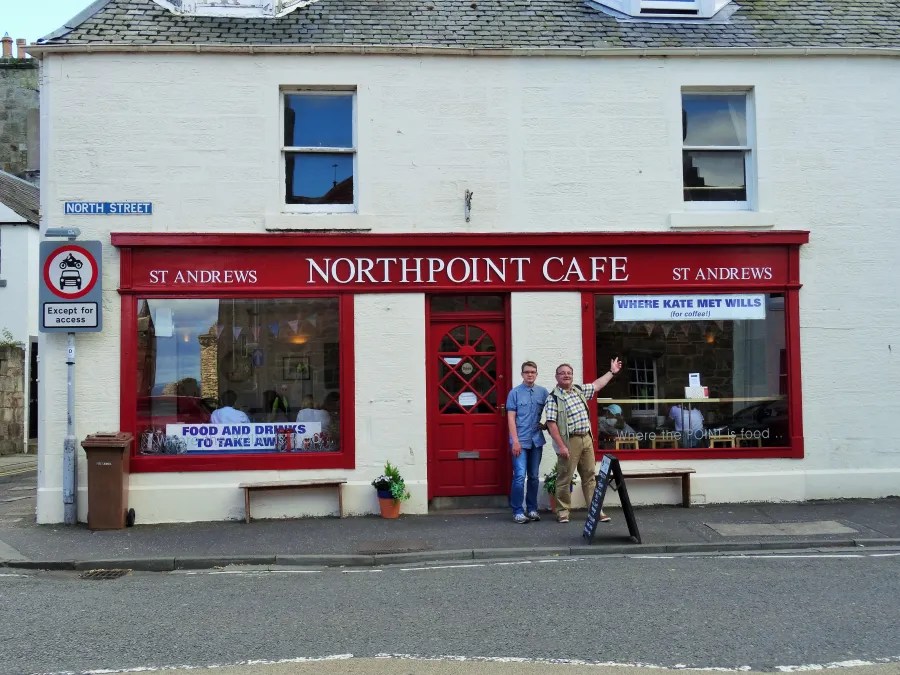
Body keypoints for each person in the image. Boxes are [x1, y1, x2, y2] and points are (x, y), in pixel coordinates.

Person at [545, 357, 622, 524]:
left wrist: (612, 372)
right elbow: (551, 425)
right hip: (569, 441)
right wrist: (561, 446)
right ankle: (563, 512)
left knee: (590, 476)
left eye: (569, 373)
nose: (566, 375)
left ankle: (596, 510)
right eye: (562, 373)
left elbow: (597, 385)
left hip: (586, 438)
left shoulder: (579, 390)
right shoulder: (553, 398)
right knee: (564, 476)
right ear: (556, 377)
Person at [505, 361, 549, 524]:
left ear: (536, 374)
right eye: (527, 372)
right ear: (522, 374)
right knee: (519, 476)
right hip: (520, 441)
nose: (530, 374)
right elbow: (511, 418)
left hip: (536, 440)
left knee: (534, 476)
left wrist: (545, 425)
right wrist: (515, 441)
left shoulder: (543, 392)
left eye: (533, 372)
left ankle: (531, 509)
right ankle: (517, 510)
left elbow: (551, 411)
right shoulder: (514, 393)